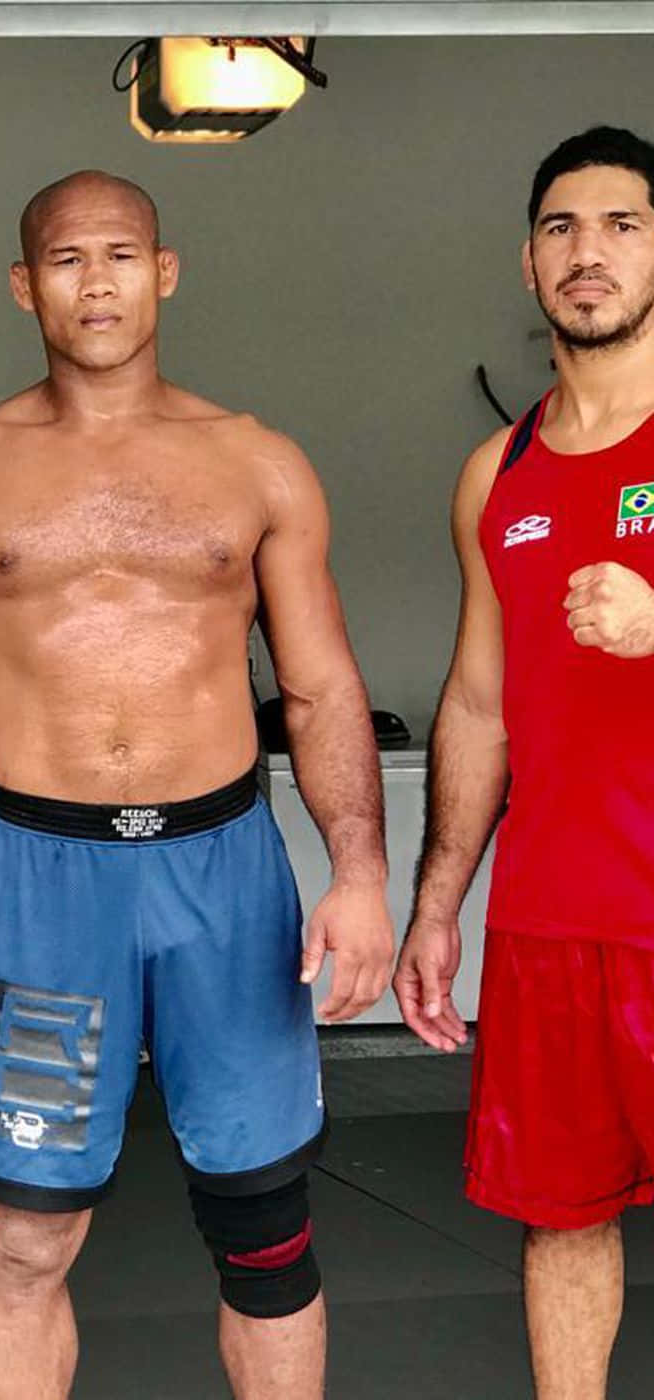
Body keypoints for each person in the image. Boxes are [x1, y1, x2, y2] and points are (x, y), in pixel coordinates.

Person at [0, 172, 393, 1400]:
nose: (93, 281)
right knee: (28, 1233)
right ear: (20, 283)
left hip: (225, 872)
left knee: (264, 1229)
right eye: (62, 259)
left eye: (118, 254)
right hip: (46, 884)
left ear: (165, 271)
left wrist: (358, 875)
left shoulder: (256, 462)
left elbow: (318, 689)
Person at [396, 126, 654, 1399]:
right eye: (560, 228)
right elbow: (477, 702)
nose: (586, 252)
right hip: (553, 913)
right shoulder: (496, 471)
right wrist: (438, 897)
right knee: (561, 1215)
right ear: (528, 260)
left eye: (619, 224)